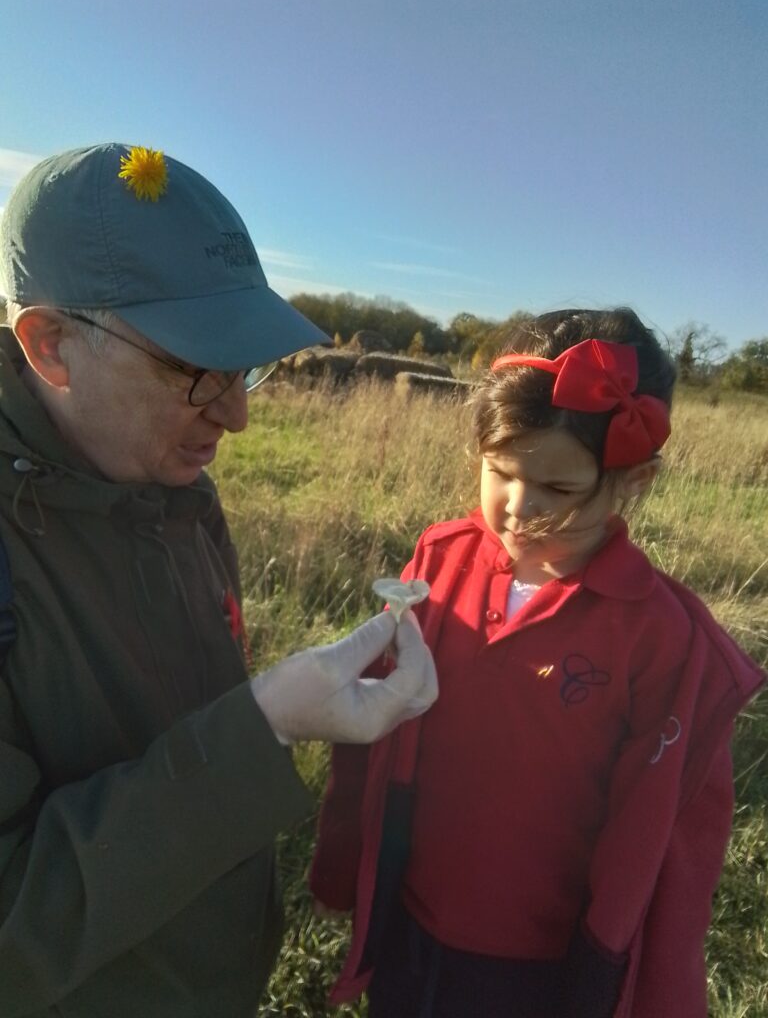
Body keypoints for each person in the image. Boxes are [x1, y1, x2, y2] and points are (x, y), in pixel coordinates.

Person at [0, 142, 437, 1017]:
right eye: (193, 367)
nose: (236, 414)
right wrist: (264, 726)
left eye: (247, 367)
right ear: (52, 346)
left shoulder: (178, 493)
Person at [310, 308, 766, 1018]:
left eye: (558, 489)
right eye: (501, 472)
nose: (519, 508)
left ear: (633, 481)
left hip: (535, 968)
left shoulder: (656, 636)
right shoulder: (440, 560)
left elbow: (656, 841)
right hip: (412, 920)